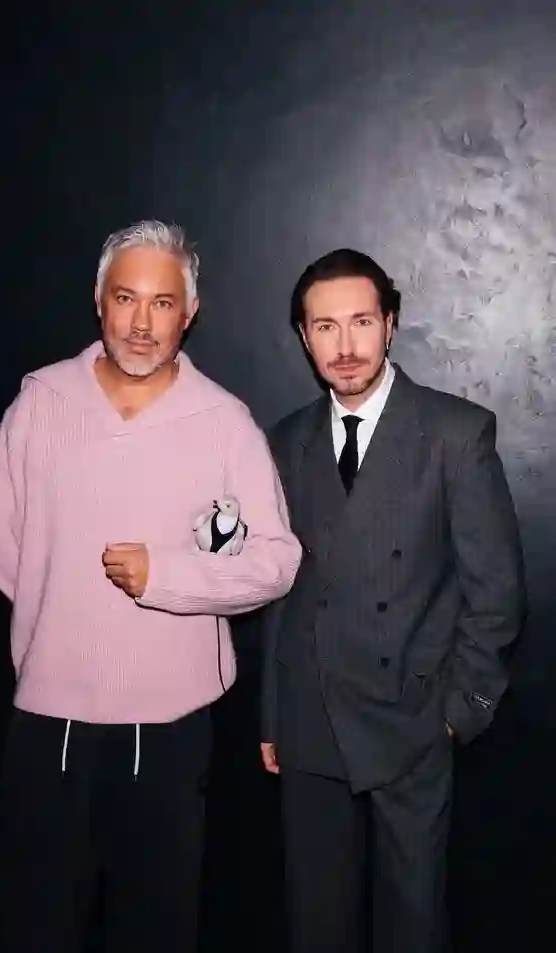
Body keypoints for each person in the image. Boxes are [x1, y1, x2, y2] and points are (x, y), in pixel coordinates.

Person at [0, 219, 301, 953]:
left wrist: (168, 578)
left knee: (155, 925)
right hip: (48, 719)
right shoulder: (41, 401)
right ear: (99, 301)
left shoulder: (225, 423)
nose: (141, 323)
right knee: (27, 922)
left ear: (190, 312)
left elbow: (274, 561)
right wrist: (63, 611)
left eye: (161, 303)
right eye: (126, 298)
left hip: (171, 727)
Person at [260, 248, 525, 953]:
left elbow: (496, 592)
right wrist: (273, 714)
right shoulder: (286, 440)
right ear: (303, 337)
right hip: (310, 717)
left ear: (391, 324)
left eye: (361, 322)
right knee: (316, 921)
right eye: (325, 327)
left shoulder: (455, 433)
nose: (345, 346)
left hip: (412, 720)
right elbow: (284, 590)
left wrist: (458, 713)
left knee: (412, 922)